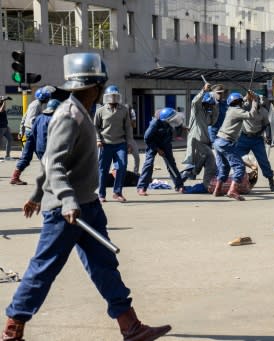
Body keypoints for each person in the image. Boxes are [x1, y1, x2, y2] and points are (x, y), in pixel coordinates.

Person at [1, 52, 171, 341]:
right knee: (43, 269)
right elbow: (53, 163)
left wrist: (37, 195)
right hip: (66, 213)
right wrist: (65, 200)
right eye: (101, 87)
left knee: (105, 265)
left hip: (87, 206)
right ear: (93, 86)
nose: (103, 94)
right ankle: (12, 329)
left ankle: (130, 326)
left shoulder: (80, 111)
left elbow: (50, 164)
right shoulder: (69, 115)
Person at [213, 91, 258, 201]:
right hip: (226, 142)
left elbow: (242, 104)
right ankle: (232, 190)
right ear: (239, 102)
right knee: (239, 167)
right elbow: (251, 115)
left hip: (219, 142)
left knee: (224, 167)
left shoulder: (231, 109)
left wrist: (247, 97)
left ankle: (217, 190)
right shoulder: (237, 111)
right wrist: (255, 101)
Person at [94, 85, 133, 202]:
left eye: (115, 96)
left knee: (121, 167)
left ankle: (117, 192)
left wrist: (129, 142)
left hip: (120, 143)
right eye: (111, 96)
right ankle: (101, 194)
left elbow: (128, 127)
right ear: (106, 97)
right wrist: (98, 139)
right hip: (105, 144)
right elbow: (95, 126)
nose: (113, 98)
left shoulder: (124, 110)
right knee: (103, 170)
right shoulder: (100, 110)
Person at [136, 108, 185, 196]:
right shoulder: (155, 123)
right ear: (165, 120)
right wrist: (157, 149)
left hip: (165, 143)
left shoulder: (171, 121)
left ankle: (179, 185)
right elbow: (146, 138)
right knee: (149, 164)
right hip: (153, 143)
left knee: (171, 164)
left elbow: (177, 126)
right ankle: (141, 187)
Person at [235, 95, 274, 192]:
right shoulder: (245, 108)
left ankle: (271, 181)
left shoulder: (264, 111)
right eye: (254, 101)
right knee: (236, 158)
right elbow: (236, 106)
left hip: (257, 139)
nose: (256, 103)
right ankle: (238, 181)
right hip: (243, 138)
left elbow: (267, 125)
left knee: (264, 161)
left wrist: (268, 136)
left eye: (258, 101)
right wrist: (246, 97)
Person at [10, 87, 52, 185]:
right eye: (47, 97)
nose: (48, 99)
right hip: (33, 133)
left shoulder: (35, 104)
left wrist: (21, 131)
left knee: (31, 156)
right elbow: (32, 120)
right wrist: (40, 130)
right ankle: (49, 178)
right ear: (43, 97)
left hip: (31, 132)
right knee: (42, 154)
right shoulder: (36, 105)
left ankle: (15, 177)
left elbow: (24, 118)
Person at [180, 83, 218, 191]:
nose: (208, 106)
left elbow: (214, 120)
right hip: (197, 142)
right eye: (207, 104)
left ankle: (184, 179)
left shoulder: (209, 113)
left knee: (200, 165)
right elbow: (194, 102)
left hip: (205, 142)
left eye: (210, 105)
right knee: (210, 159)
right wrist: (204, 90)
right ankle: (207, 184)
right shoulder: (197, 110)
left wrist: (215, 106)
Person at [127, 105, 140, 175]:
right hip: (122, 140)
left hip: (131, 140)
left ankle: (135, 172)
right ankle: (118, 173)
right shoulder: (120, 119)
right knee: (121, 160)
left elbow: (134, 125)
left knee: (137, 157)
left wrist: (133, 118)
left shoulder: (130, 118)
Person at [0, 96, 13, 161]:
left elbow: (3, 108)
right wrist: (4, 101)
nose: (2, 100)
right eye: (1, 100)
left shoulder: (2, 105)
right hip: (1, 127)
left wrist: (5, 100)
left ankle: (7, 156)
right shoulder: (1, 107)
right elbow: (1, 110)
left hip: (5, 127)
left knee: (10, 139)